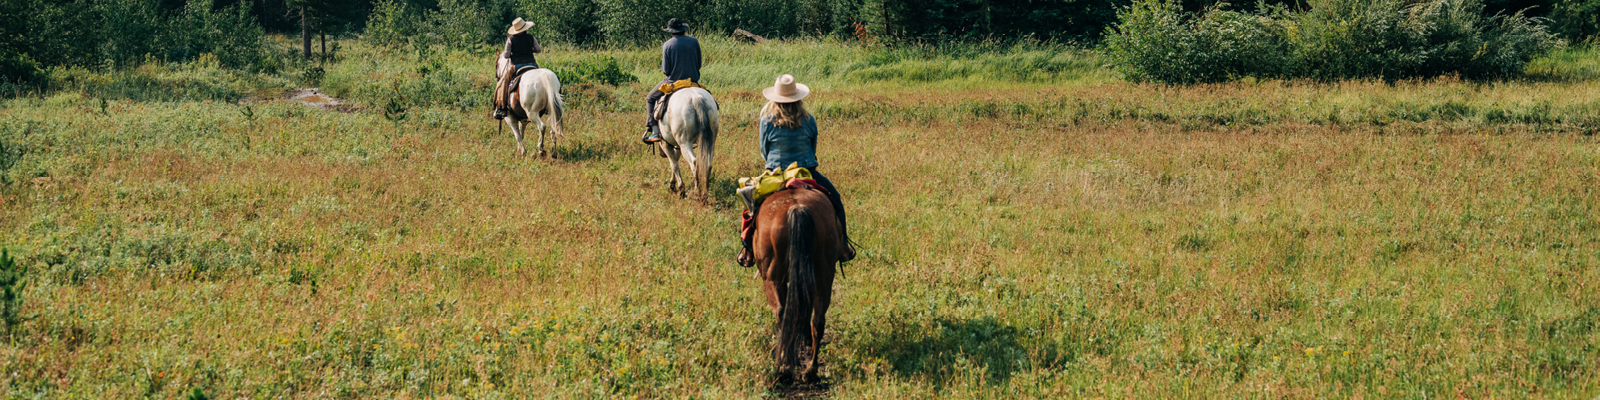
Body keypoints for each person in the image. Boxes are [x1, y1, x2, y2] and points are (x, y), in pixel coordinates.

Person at [737, 74, 855, 266]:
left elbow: (764, 152)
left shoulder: (766, 121)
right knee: (836, 200)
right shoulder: (809, 120)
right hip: (806, 173)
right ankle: (843, 246)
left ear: (774, 99)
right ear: (798, 98)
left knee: (750, 205)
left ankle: (747, 248)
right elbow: (813, 147)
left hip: (776, 175)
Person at [642, 18, 701, 143]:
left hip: (673, 82)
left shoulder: (667, 44)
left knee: (650, 98)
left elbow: (666, 70)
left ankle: (654, 131)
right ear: (683, 30)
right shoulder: (694, 41)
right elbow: (699, 63)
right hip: (693, 81)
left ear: (671, 32)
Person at [494, 18, 543, 120]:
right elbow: (538, 50)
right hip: (532, 65)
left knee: (503, 82)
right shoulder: (531, 37)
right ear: (525, 28)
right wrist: (530, 49)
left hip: (517, 66)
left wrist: (513, 53)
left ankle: (501, 108)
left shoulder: (510, 39)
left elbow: (506, 55)